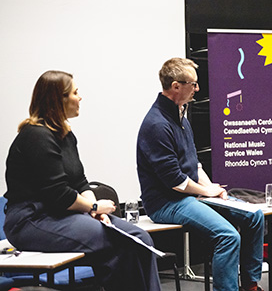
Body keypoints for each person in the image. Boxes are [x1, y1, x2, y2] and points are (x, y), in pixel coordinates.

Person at [4, 70, 161, 291]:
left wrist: (94, 211)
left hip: (62, 215)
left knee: (140, 238)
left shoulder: (66, 136)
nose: (80, 97)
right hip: (32, 221)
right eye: (75, 92)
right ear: (59, 99)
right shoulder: (35, 136)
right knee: (122, 243)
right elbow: (59, 195)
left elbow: (80, 183)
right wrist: (94, 206)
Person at [137, 57, 265, 291]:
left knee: (254, 215)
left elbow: (194, 166)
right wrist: (206, 191)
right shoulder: (157, 124)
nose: (197, 89)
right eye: (192, 84)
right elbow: (175, 181)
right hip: (166, 202)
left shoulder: (180, 118)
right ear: (176, 86)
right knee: (227, 237)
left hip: (189, 195)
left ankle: (250, 285)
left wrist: (212, 190)